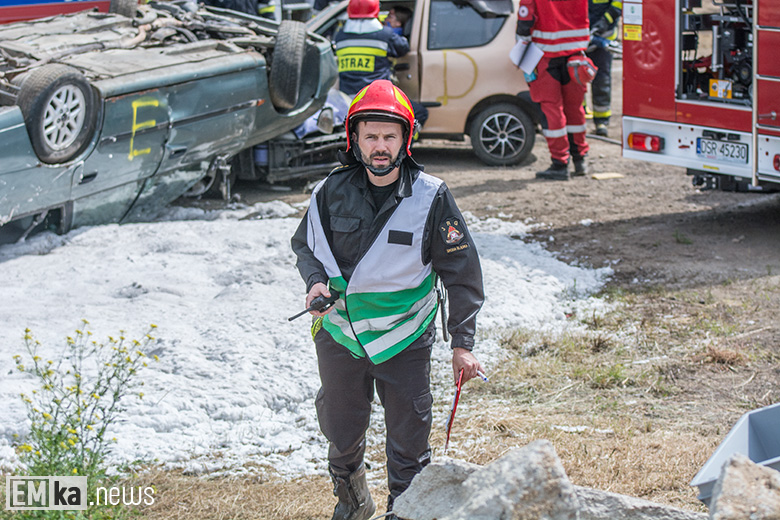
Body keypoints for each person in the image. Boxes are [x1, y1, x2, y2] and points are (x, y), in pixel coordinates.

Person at [291, 79, 485, 520]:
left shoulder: (431, 196)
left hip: (405, 338)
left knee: (409, 440)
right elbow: (306, 246)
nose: (380, 146)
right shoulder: (328, 191)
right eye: (371, 136)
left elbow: (462, 273)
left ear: (406, 139)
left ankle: (406, 510)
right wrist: (315, 281)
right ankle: (353, 499)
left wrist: (462, 342)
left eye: (389, 136)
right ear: (354, 139)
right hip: (339, 334)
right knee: (340, 430)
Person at [516, 0, 592, 180]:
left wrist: (522, 45)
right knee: (575, 108)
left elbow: (526, 17)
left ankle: (560, 163)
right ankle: (580, 159)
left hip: (545, 54)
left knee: (551, 109)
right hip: (575, 53)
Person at [334, 0, 411, 97]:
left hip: (347, 97)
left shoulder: (340, 36)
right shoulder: (385, 35)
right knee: (421, 112)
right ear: (376, 10)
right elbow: (403, 47)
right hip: (376, 96)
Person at [587, 0, 622, 137]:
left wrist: (603, 23)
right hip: (579, 35)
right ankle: (576, 120)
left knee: (601, 80)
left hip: (603, 36)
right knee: (574, 78)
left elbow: (618, 4)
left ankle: (601, 122)